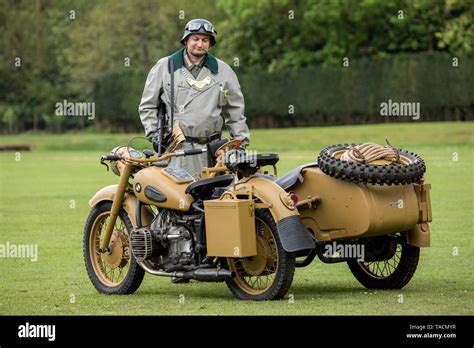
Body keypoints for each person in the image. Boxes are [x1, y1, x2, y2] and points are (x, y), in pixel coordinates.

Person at [139, 18, 250, 178]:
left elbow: (235, 112)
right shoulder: (165, 66)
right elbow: (148, 105)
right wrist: (154, 134)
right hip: (176, 150)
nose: (200, 44)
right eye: (195, 39)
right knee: (176, 199)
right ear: (186, 40)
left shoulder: (223, 70)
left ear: (210, 44)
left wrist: (240, 143)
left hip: (213, 152)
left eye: (205, 40)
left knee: (212, 199)